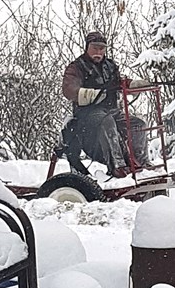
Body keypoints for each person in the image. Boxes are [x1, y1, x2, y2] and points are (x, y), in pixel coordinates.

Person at [62, 31, 150, 178]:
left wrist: (133, 84)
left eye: (102, 48)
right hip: (87, 114)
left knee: (138, 123)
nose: (98, 51)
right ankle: (118, 166)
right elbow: (68, 89)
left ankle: (142, 164)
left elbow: (118, 82)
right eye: (95, 47)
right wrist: (87, 94)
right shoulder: (76, 67)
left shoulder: (110, 66)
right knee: (106, 121)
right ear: (87, 47)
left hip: (112, 111)